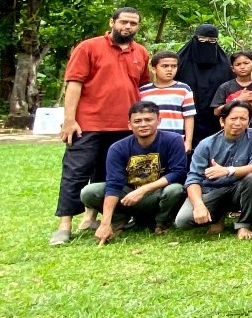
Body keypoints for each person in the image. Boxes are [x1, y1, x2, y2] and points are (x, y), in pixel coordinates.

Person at [52, 7, 150, 246]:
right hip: (88, 123)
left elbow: (143, 87)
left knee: (109, 174)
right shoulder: (89, 47)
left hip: (124, 127)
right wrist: (69, 120)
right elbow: (74, 84)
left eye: (133, 24)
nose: (127, 27)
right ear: (112, 22)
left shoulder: (141, 53)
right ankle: (64, 225)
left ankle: (90, 218)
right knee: (75, 172)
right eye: (123, 22)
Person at [80, 101, 189, 243]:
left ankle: (161, 223)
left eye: (148, 120)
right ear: (129, 125)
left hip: (157, 194)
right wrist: (105, 223)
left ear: (158, 121)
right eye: (137, 121)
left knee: (176, 189)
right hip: (127, 196)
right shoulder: (118, 148)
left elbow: (178, 173)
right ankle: (118, 220)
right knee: (89, 192)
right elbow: (114, 184)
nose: (143, 124)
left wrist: (143, 190)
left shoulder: (173, 140)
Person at [175, 101, 252, 239]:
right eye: (233, 118)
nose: (238, 123)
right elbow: (193, 178)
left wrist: (228, 171)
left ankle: (243, 225)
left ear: (249, 122)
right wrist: (199, 205)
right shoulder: (206, 144)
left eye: (243, 119)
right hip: (211, 191)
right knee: (183, 221)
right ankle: (217, 217)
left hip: (239, 189)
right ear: (222, 121)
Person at [176, 24, 234, 144]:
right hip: (186, 118)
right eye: (202, 40)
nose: (207, 43)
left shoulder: (225, 65)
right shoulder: (179, 62)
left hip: (215, 121)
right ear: (195, 39)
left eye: (212, 41)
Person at [138, 50, 197, 154]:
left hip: (176, 140)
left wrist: (188, 141)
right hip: (149, 141)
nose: (170, 69)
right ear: (154, 69)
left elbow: (189, 117)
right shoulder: (143, 91)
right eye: (164, 66)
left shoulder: (184, 89)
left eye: (173, 66)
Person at [211, 50, 252, 124]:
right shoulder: (225, 87)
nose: (242, 67)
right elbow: (216, 112)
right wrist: (237, 100)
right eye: (238, 64)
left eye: (246, 63)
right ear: (232, 68)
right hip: (233, 127)